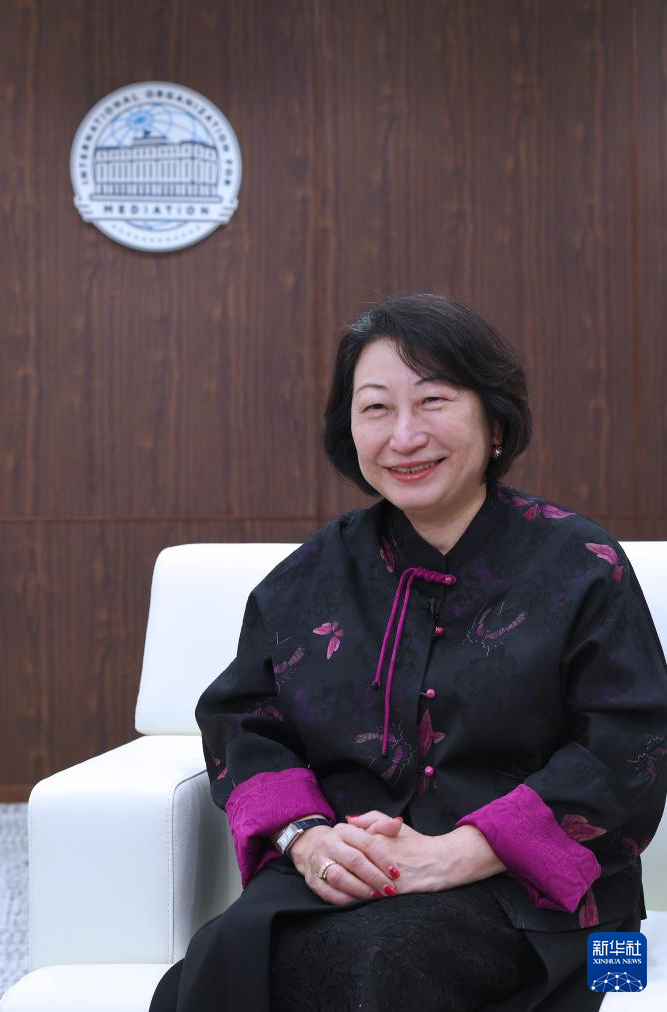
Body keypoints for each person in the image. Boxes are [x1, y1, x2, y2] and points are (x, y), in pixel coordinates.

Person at [150, 293, 667, 1012]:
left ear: (493, 421)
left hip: (539, 896)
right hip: (347, 875)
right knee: (215, 964)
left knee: (376, 964)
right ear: (349, 430)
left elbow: (629, 747)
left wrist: (453, 854)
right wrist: (309, 840)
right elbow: (243, 722)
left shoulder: (581, 564)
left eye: (433, 401)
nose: (404, 436)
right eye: (376, 408)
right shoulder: (311, 576)